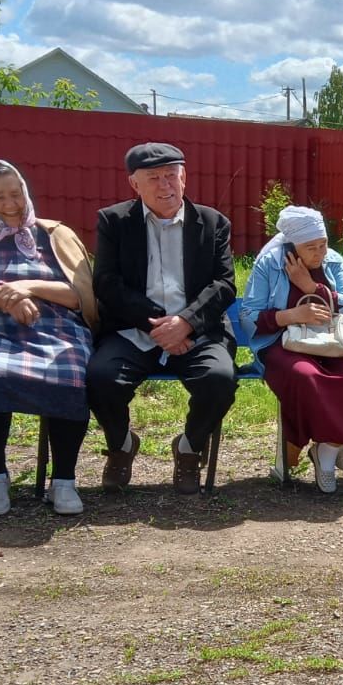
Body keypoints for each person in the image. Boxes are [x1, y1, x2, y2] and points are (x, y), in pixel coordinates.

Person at [88, 143, 237, 495]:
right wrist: (160, 324)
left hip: (198, 331)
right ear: (134, 185)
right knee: (100, 379)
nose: (165, 184)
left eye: (172, 175)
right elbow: (106, 283)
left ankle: (188, 449)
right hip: (133, 329)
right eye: (153, 178)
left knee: (219, 381)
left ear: (184, 177)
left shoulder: (213, 223)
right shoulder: (114, 221)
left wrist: (185, 322)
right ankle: (121, 446)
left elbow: (224, 284)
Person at [0, 160, 97, 516]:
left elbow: (79, 295)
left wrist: (28, 287)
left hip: (58, 328)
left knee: (70, 372)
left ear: (26, 191)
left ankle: (63, 480)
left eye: (16, 193)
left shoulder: (54, 234)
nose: (10, 204)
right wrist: (7, 300)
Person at [239, 205, 343, 493]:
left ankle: (326, 449)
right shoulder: (270, 263)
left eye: (323, 244)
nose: (319, 253)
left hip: (331, 341)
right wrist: (291, 316)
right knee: (305, 377)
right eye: (310, 247)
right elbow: (248, 315)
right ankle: (328, 452)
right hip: (282, 343)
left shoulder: (333, 260)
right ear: (292, 245)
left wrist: (312, 286)